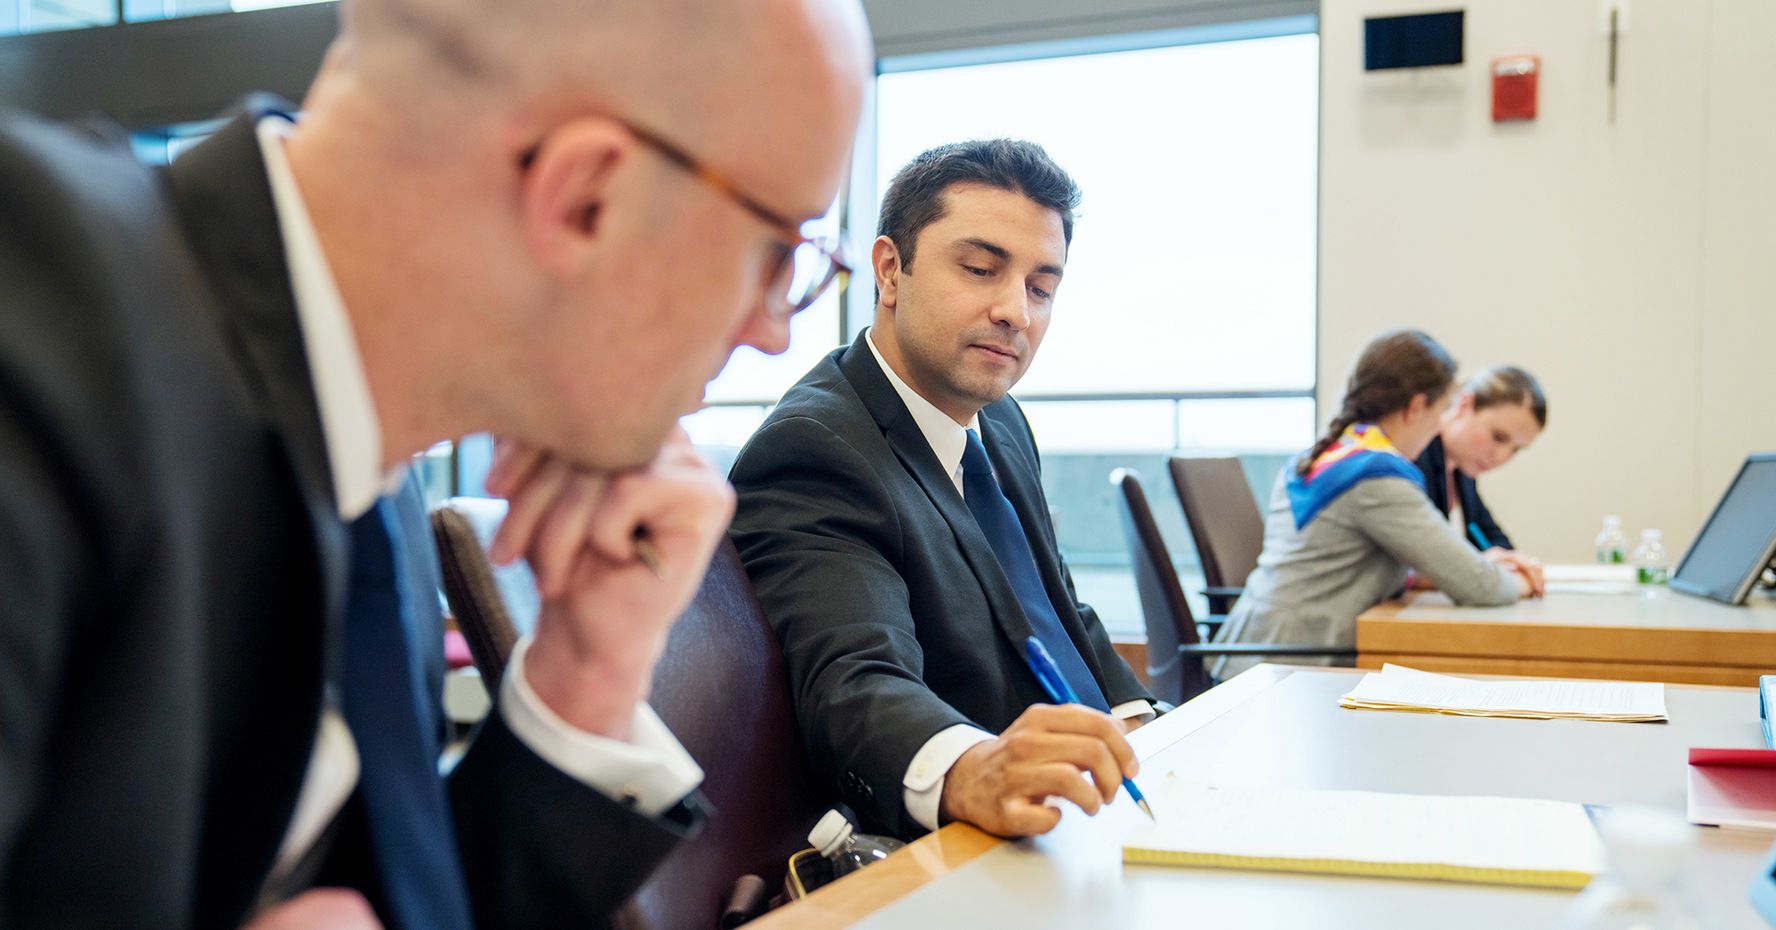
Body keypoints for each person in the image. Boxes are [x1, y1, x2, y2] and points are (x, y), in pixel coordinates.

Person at [0, 0, 871, 926]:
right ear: (586, 199)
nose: (777, 332)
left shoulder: (373, 489)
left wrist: (586, 677)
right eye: (780, 252)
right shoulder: (36, 301)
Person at [729, 140, 1152, 843]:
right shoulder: (814, 452)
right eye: (982, 269)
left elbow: (1054, 607)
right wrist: (973, 768)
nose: (1016, 310)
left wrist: (1141, 725)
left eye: (1042, 288)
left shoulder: (1001, 421)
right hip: (966, 847)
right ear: (891, 270)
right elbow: (854, 682)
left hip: (1090, 813)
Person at [1214, 330, 1541, 680]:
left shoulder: (1336, 454)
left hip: (1255, 656)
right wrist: (1521, 580)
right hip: (1289, 670)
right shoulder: (1376, 478)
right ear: (1416, 408)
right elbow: (1484, 588)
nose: (1437, 429)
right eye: (1439, 412)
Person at [1415, 365, 1548, 553]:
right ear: (1466, 404)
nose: (1502, 457)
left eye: (1516, 449)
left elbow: (1497, 543)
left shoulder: (1462, 474)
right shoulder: (1414, 456)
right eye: (1498, 437)